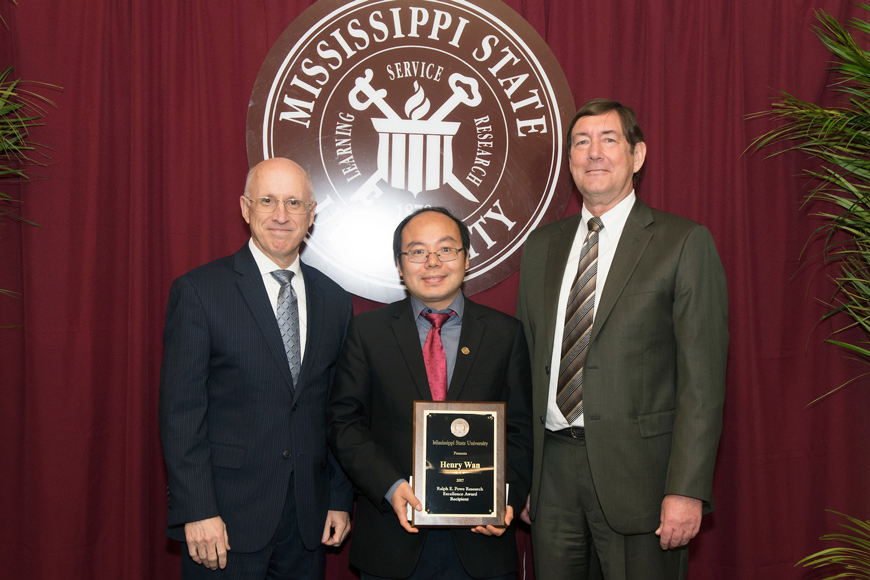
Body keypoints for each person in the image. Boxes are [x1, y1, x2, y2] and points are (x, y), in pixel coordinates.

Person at [516, 99, 728, 580]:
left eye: (609, 140)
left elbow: (703, 381)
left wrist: (687, 488)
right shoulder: (541, 247)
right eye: (581, 142)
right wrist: (524, 476)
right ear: (569, 161)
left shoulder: (682, 243)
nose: (594, 153)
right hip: (553, 475)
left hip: (644, 481)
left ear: (638, 155)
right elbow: (526, 365)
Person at [159, 157, 354, 579]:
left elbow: (339, 410)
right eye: (267, 201)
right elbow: (181, 412)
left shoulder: (335, 301)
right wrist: (198, 510)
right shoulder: (198, 292)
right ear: (245, 208)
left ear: (311, 213)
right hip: (224, 523)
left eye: (293, 202)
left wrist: (338, 496)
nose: (281, 215)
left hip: (308, 521)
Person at [328, 207, 533, 580]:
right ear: (399, 264)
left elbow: (520, 430)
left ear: (467, 259)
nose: (433, 262)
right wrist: (389, 486)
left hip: (481, 542)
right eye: (418, 251)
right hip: (392, 536)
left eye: (446, 249)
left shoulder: (505, 334)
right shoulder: (367, 332)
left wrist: (507, 498)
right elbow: (345, 423)